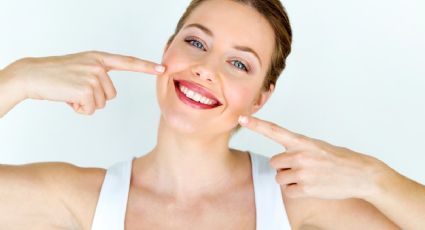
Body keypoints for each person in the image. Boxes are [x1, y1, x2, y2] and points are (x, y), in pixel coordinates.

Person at [0, 0, 424, 229]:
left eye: (240, 64)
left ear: (260, 98)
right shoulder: (82, 200)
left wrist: (375, 178)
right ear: (167, 51)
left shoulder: (296, 200)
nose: (206, 68)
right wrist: (16, 80)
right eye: (197, 43)